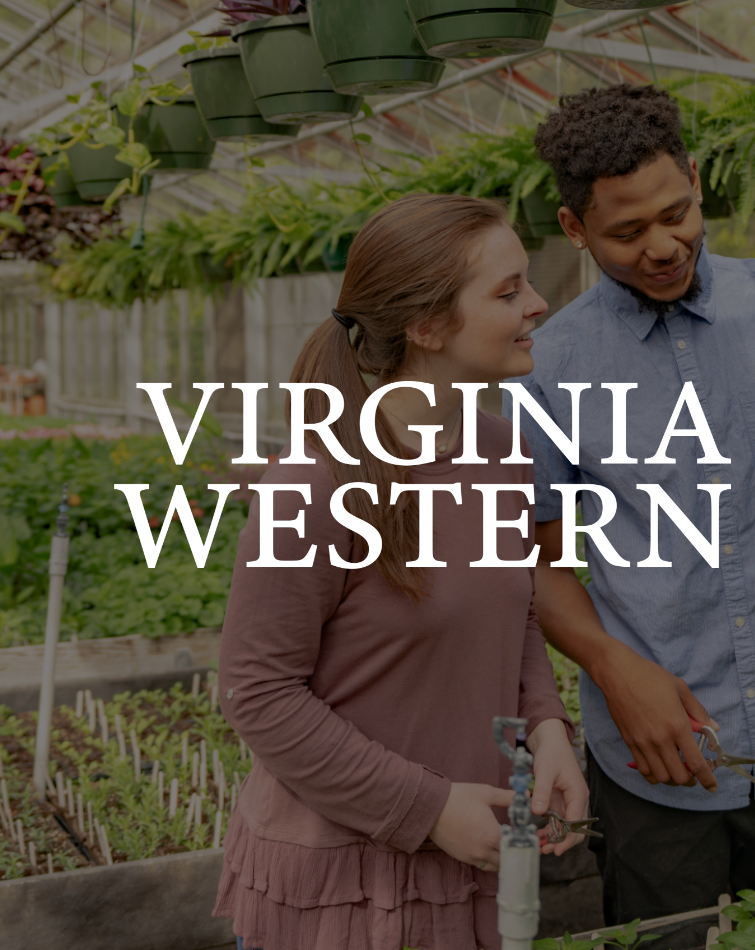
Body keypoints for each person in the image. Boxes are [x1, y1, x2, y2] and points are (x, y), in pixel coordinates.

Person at [512, 84, 755, 948]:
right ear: (575, 231)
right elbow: (534, 561)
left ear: (693, 177)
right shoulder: (548, 369)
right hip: (659, 762)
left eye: (677, 213)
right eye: (626, 233)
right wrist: (614, 669)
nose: (662, 246)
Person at [215, 193, 591, 950]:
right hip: (341, 886)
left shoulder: (500, 452)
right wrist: (425, 807)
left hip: (466, 853)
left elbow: (512, 610)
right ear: (424, 327)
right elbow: (257, 694)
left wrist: (547, 727)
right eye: (508, 290)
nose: (540, 303)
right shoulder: (314, 484)